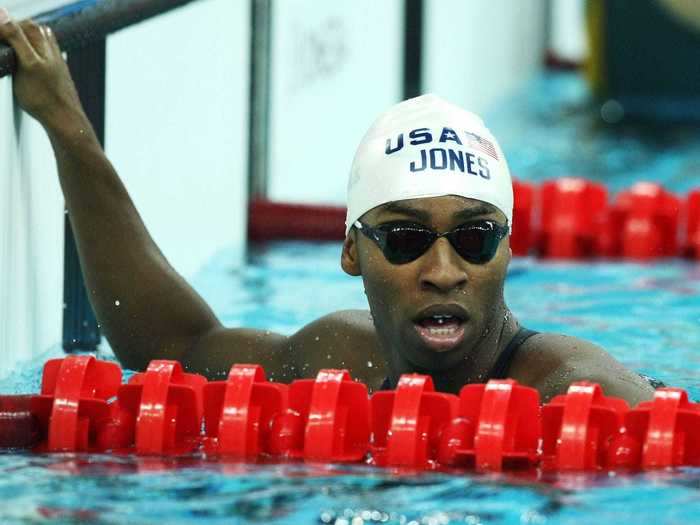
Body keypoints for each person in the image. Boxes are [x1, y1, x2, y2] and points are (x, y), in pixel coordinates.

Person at [0, 12, 655, 405]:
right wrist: (66, 123)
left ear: (508, 248)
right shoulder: (341, 359)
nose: (445, 269)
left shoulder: (580, 392)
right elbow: (171, 344)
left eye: (475, 237)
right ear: (351, 250)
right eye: (404, 239)